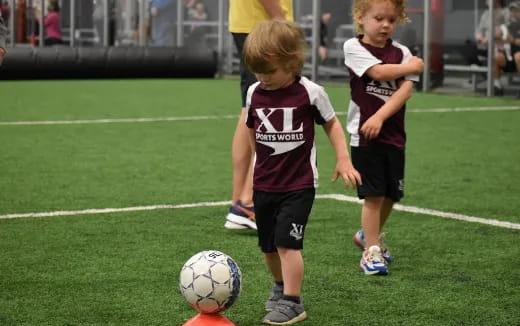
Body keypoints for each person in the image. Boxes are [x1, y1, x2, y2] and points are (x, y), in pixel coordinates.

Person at [243, 20, 361, 325]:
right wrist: (250, 179)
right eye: (257, 71)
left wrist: (343, 158)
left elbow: (332, 124)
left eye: (269, 71)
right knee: (268, 247)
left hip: (298, 185)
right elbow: (252, 133)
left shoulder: (311, 93)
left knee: (286, 243)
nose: (262, 78)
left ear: (292, 62)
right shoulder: (254, 93)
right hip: (264, 184)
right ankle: (281, 287)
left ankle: (293, 301)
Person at [344, 0, 424, 275]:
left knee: (393, 194)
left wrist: (381, 117)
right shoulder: (353, 47)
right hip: (365, 137)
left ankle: (369, 235)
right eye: (378, 18)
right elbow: (378, 72)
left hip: (394, 136)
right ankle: (372, 252)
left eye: (391, 20)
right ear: (360, 17)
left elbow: (405, 92)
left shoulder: (401, 51)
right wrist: (412, 67)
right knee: (374, 196)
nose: (385, 25)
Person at [225, 0, 293, 230]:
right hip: (263, 25)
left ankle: (241, 202)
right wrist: (280, 20)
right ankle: (247, 201)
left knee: (250, 106)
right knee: (264, 108)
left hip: (251, 23)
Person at [475, 0, 510, 95]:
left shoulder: (506, 12)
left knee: (495, 56)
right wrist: (481, 38)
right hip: (484, 46)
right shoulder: (486, 13)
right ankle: (493, 83)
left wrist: (489, 39)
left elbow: (503, 31)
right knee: (468, 50)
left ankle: (496, 86)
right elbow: (478, 31)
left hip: (500, 46)